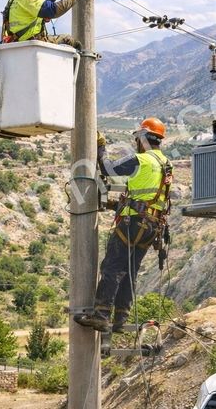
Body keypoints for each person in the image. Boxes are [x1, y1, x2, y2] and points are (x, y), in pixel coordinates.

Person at [74, 117, 173, 333]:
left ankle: (101, 315)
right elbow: (147, 197)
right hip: (152, 227)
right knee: (130, 271)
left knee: (112, 267)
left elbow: (107, 168)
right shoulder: (166, 163)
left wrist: (101, 147)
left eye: (138, 138)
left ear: (143, 138)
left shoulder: (142, 160)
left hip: (133, 224)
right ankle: (120, 318)